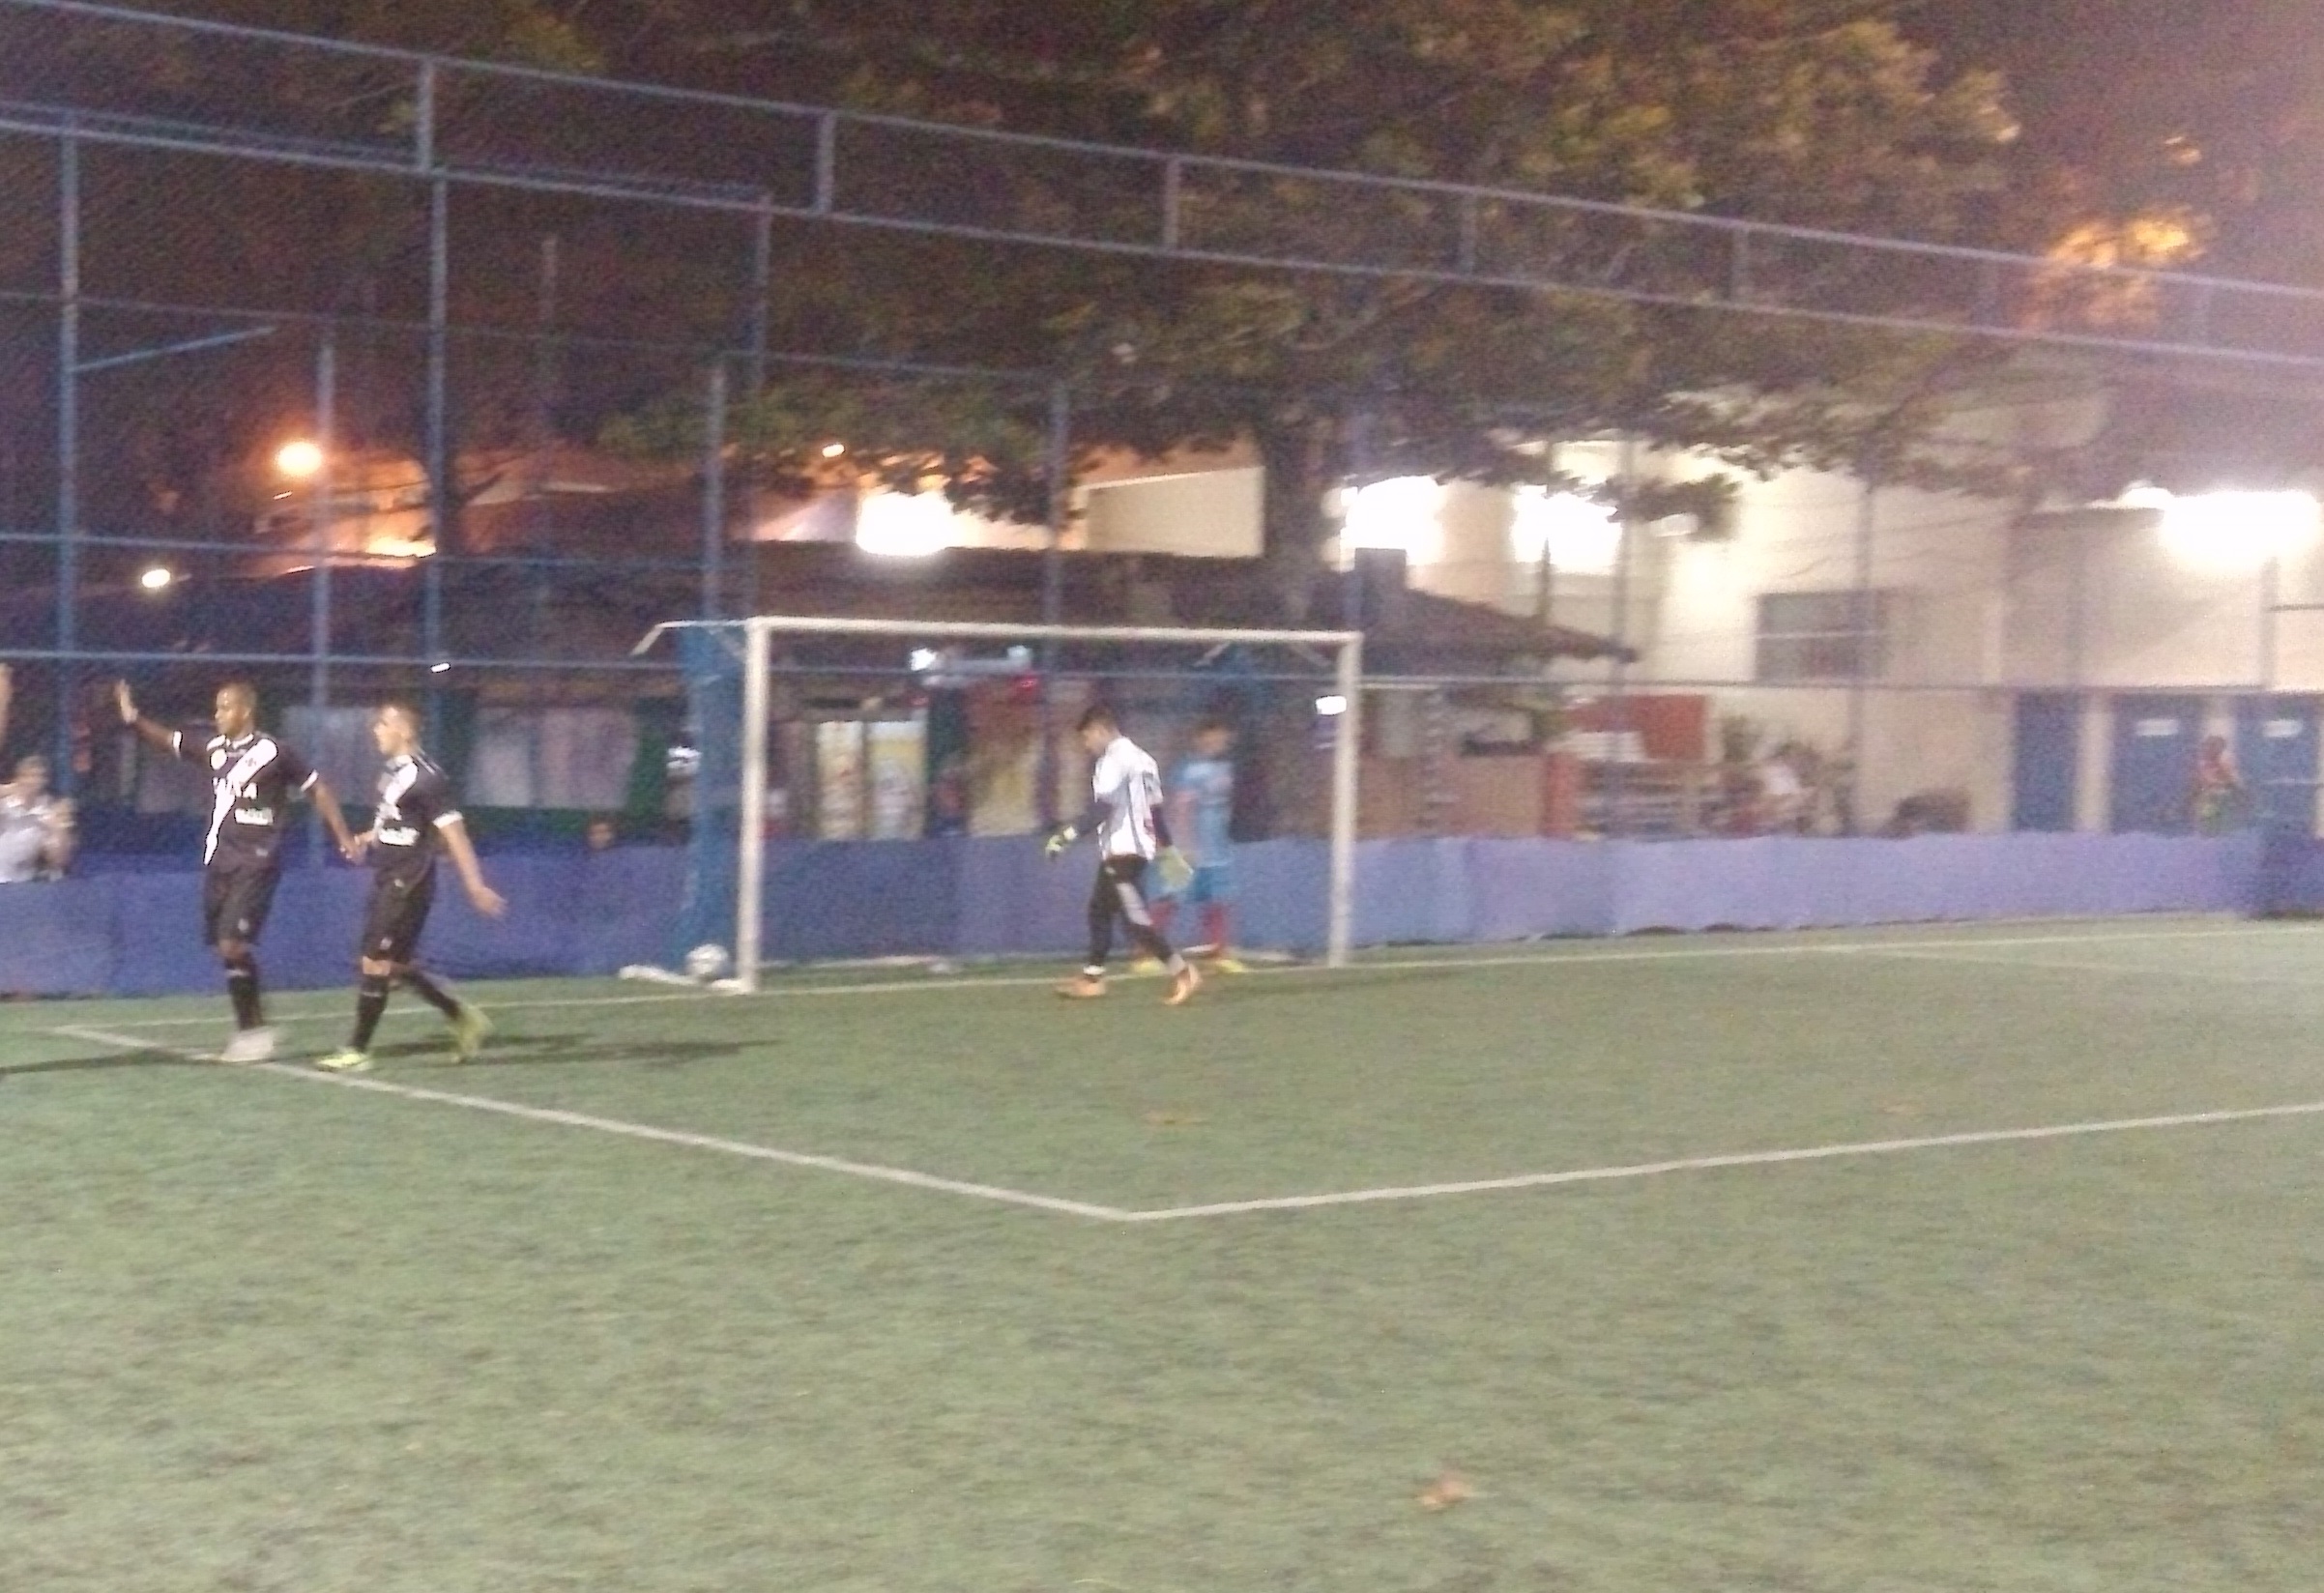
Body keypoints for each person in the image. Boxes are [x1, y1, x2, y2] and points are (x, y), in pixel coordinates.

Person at [117, 679, 358, 1062]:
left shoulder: (273, 752)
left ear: (245, 711)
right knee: (225, 948)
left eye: (225, 707)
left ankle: (252, 1032)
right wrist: (134, 719)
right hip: (220, 859)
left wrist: (343, 835)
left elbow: (318, 788)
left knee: (233, 942)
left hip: (257, 860)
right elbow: (172, 741)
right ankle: (256, 1025)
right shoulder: (215, 749)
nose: (218, 715)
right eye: (217, 708)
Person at [316, 702, 507, 1074]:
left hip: (409, 881)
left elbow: (455, 834)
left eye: (383, 723)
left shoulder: (428, 778)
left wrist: (475, 885)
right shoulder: (393, 773)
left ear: (404, 731)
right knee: (395, 966)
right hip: (386, 875)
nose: (376, 729)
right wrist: (366, 838)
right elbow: (395, 823)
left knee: (376, 962)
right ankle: (462, 1017)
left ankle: (357, 1050)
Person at [1043, 704, 1199, 1005]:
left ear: (1099, 729)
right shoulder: (1145, 759)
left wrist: (1065, 837)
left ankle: (1183, 972)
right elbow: (1155, 811)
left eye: (1086, 737)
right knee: (1099, 909)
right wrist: (1167, 849)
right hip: (1138, 849)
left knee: (1134, 919)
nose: (1086, 745)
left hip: (1123, 849)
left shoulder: (1112, 760)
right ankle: (1092, 978)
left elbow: (1102, 808)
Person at [1153, 716, 1244, 972]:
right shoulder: (1189, 769)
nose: (1219, 741)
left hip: (1217, 849)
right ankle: (1146, 953)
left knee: (1219, 900)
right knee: (1169, 898)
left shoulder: (1225, 767)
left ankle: (1218, 953)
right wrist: (1184, 844)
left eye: (1222, 737)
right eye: (1212, 736)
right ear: (1199, 738)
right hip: (1187, 847)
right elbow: (1181, 807)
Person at [0, 754, 75, 883]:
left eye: (39, 776)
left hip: (21, 882)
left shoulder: (50, 811)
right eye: (28, 776)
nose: (33, 781)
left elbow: (59, 861)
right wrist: (6, 790)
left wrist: (59, 830)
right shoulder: (4, 804)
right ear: (18, 779)